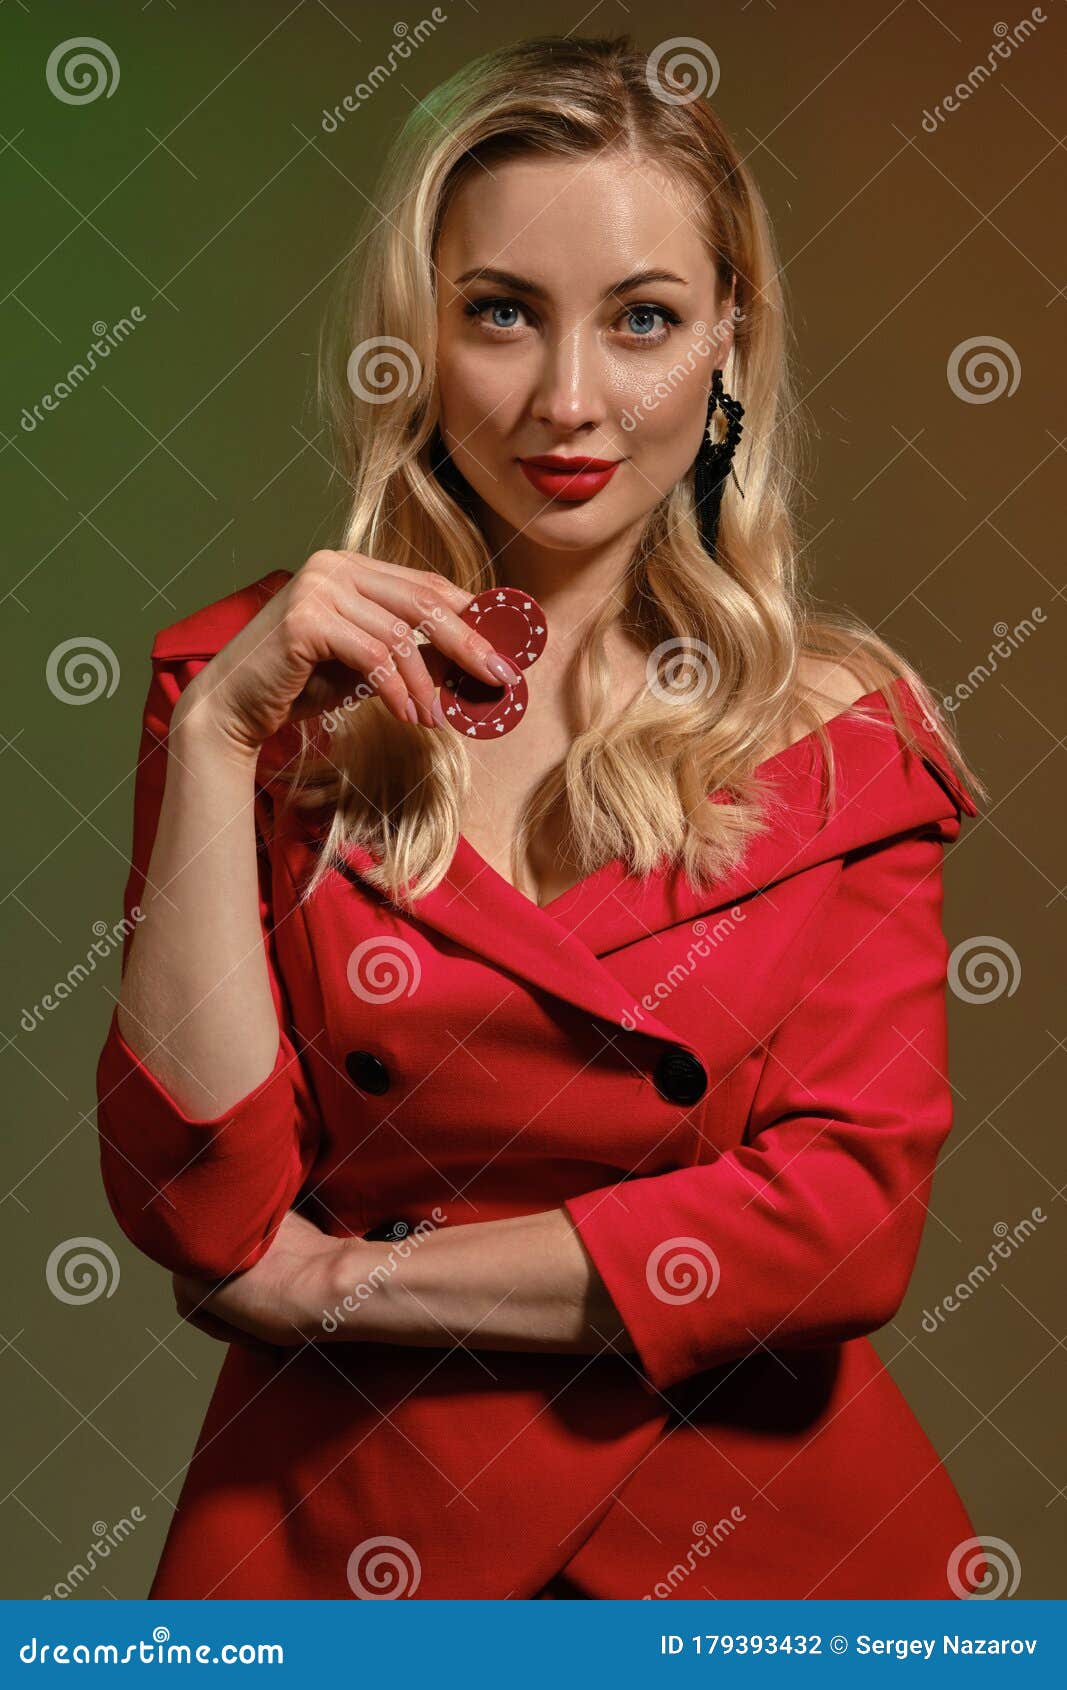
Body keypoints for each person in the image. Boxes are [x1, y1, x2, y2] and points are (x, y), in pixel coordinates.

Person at [94, 35, 988, 1600]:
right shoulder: (247, 686)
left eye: (642, 319)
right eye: (500, 313)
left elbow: (845, 1222)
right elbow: (206, 1206)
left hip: (765, 1552)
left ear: (729, 344)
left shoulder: (847, 733)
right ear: (414, 339)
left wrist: (341, 1285)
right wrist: (227, 731)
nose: (569, 400)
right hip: (343, 1530)